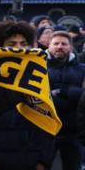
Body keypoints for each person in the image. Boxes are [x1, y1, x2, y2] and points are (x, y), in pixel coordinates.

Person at [0, 21, 55, 170]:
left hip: (31, 162)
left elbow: (49, 122)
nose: (19, 48)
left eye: (23, 43)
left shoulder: (39, 79)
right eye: (12, 43)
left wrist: (43, 161)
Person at [47, 31, 85, 170]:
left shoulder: (82, 69)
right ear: (49, 46)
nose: (60, 47)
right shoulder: (38, 67)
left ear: (70, 47)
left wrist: (64, 91)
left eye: (64, 44)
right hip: (45, 130)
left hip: (73, 131)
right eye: (56, 43)